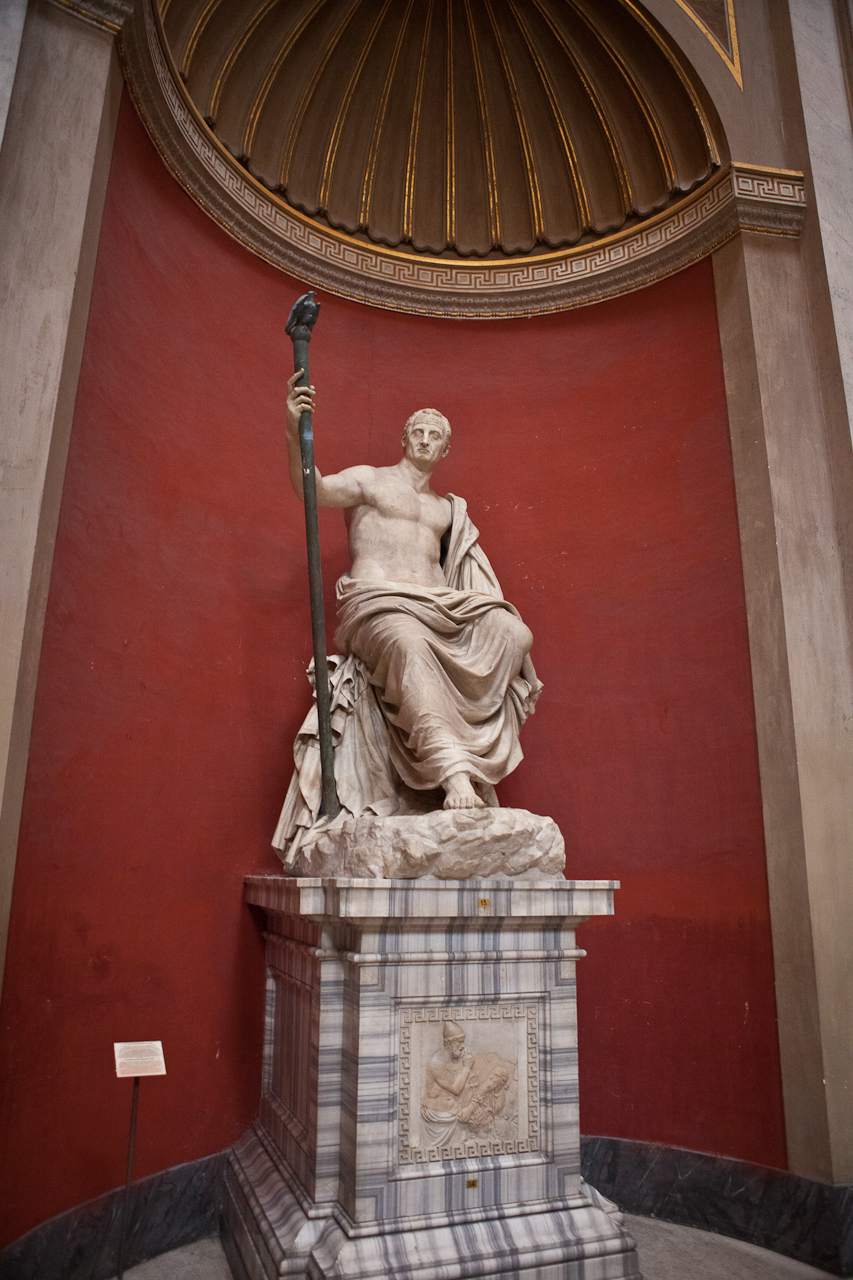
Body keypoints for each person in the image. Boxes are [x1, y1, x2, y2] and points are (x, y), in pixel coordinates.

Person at [273, 371, 541, 862]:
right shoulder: (371, 480)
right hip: (379, 605)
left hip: (438, 607)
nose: (424, 439)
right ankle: (454, 772)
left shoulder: (447, 511)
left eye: (434, 435)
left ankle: (472, 753)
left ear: (445, 450)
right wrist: (295, 431)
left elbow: (466, 571)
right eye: (417, 431)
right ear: (404, 439)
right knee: (408, 644)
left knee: (513, 632)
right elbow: (312, 488)